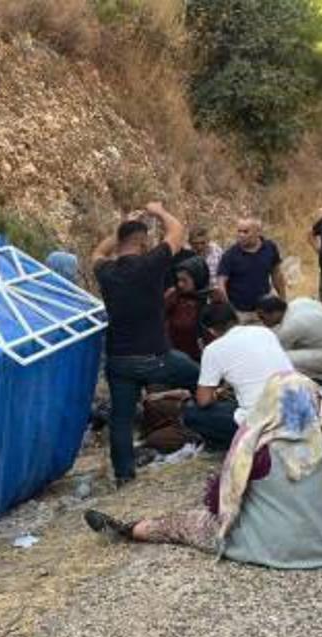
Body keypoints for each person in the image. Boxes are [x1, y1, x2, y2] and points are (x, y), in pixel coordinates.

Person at [83, 372, 322, 570]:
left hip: (277, 549)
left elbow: (217, 504)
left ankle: (129, 530)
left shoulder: (258, 449)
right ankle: (128, 529)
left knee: (186, 522)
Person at [93, 202, 199, 486]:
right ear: (143, 243)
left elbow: (98, 253)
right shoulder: (151, 264)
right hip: (156, 357)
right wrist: (159, 211)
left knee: (121, 419)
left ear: (120, 244)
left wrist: (122, 226)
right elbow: (177, 231)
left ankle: (125, 476)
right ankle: (216, 423)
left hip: (119, 360)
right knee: (200, 377)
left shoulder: (106, 271)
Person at [182, 302, 293, 449]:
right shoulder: (265, 332)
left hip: (262, 423)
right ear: (236, 318)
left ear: (211, 330)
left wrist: (216, 394)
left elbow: (203, 400)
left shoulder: (213, 350)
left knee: (192, 414)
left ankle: (229, 444)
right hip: (295, 406)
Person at [255, 295, 322, 379]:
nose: (262, 322)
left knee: (279, 359)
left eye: (262, 317)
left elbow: (274, 351)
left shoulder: (292, 324)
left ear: (275, 312)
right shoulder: (300, 302)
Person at [215, 218, 287, 323]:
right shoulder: (230, 255)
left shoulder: (270, 247)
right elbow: (221, 284)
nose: (241, 235)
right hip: (240, 312)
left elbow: (276, 274)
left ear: (258, 232)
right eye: (239, 231)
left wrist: (283, 299)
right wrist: (229, 310)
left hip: (264, 310)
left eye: (245, 232)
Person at [164, 256, 210, 362]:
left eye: (185, 280)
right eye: (178, 280)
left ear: (198, 277)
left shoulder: (211, 298)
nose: (180, 284)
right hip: (175, 358)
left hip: (202, 359)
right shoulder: (174, 296)